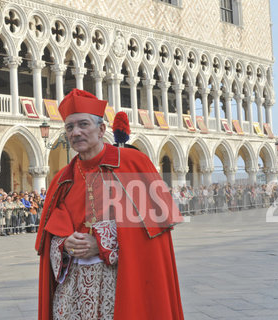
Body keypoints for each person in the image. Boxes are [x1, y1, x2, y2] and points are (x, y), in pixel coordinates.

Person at [35, 89, 183, 319]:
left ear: (102, 129)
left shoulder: (134, 163)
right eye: (70, 127)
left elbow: (152, 235)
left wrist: (102, 243)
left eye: (83, 124)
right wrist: (64, 244)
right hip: (73, 289)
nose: (76, 132)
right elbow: (51, 236)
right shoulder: (61, 179)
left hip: (121, 281)